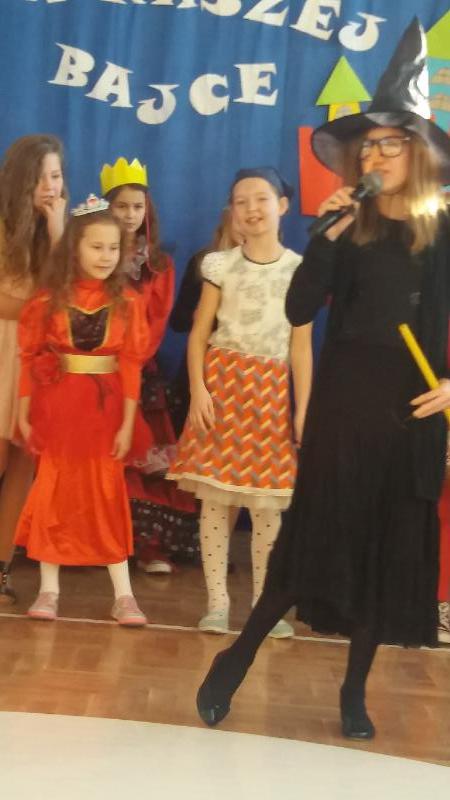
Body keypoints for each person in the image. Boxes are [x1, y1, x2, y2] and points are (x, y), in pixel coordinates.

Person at [196, 19, 450, 739]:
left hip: (412, 412)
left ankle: (353, 692)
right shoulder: (349, 225)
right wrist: (326, 235)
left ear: (418, 152)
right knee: (312, 542)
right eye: (368, 145)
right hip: (346, 406)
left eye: (389, 143)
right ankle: (236, 659)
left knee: (381, 550)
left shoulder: (442, 232)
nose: (375, 154)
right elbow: (300, 308)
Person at [168, 167, 313, 638]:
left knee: (267, 507)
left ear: (282, 206)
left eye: (261, 199)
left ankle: (262, 607)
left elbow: (300, 348)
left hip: (269, 392)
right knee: (214, 500)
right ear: (232, 211)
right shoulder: (219, 266)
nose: (251, 209)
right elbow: (199, 334)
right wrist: (199, 389)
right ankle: (217, 602)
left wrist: (302, 409)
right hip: (222, 387)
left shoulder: (300, 270)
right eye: (241, 201)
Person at [15, 196, 149, 626]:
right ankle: (49, 590)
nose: (106, 256)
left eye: (113, 248)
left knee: (106, 491)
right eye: (96, 247)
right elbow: (29, 358)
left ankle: (124, 595)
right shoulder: (47, 301)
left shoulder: (128, 302)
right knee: (53, 489)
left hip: (104, 412)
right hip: (58, 409)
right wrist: (23, 413)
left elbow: (131, 365)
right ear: (74, 248)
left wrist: (127, 423)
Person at [100, 158, 197, 574]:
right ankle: (98, 541)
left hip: (136, 368)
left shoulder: (158, 265)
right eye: (121, 206)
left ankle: (148, 546)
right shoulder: (91, 254)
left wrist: (131, 360)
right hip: (92, 370)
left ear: (147, 211)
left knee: (142, 455)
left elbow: (157, 320)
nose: (129, 214)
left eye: (136, 207)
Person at [0, 134, 67, 603]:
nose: (49, 187)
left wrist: (59, 228)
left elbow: (69, 295)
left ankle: (1, 567)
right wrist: (36, 311)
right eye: (40, 177)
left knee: (23, 466)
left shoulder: (59, 232)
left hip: (34, 361)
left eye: (56, 176)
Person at [169, 207, 244, 438]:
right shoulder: (204, 263)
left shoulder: (271, 268)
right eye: (239, 221)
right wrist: (202, 315)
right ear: (227, 221)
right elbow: (178, 321)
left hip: (244, 374)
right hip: (202, 366)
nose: (246, 228)